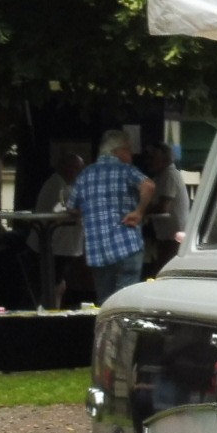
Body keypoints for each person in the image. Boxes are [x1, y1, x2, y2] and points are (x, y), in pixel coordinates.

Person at [65, 129, 152, 304]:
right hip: (127, 246)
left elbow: (72, 207)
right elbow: (148, 186)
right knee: (125, 306)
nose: (131, 154)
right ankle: (123, 332)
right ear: (116, 151)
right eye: (127, 149)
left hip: (98, 251)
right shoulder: (126, 170)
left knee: (106, 306)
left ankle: (108, 332)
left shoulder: (85, 175)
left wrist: (90, 210)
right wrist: (139, 211)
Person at [31, 150, 84, 306]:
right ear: (67, 168)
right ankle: (48, 317)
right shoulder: (56, 185)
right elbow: (65, 208)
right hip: (54, 246)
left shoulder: (65, 185)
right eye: (78, 169)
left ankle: (52, 313)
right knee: (54, 286)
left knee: (58, 285)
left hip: (60, 246)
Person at [140, 143, 189, 275]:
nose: (149, 162)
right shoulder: (160, 176)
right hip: (165, 233)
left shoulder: (170, 175)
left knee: (165, 270)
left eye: (153, 158)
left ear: (164, 159)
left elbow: (163, 206)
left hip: (172, 235)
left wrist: (140, 212)